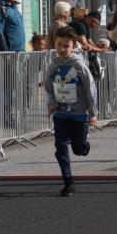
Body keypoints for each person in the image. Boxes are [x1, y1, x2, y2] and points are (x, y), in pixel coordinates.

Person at [44, 26, 97, 197]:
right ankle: (68, 182)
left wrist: (93, 112)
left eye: (66, 46)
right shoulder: (52, 66)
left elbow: (91, 89)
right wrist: (52, 103)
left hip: (79, 113)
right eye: (59, 45)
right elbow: (48, 88)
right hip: (60, 113)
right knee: (60, 147)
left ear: (73, 46)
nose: (61, 49)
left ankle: (84, 144)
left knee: (79, 149)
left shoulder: (79, 65)